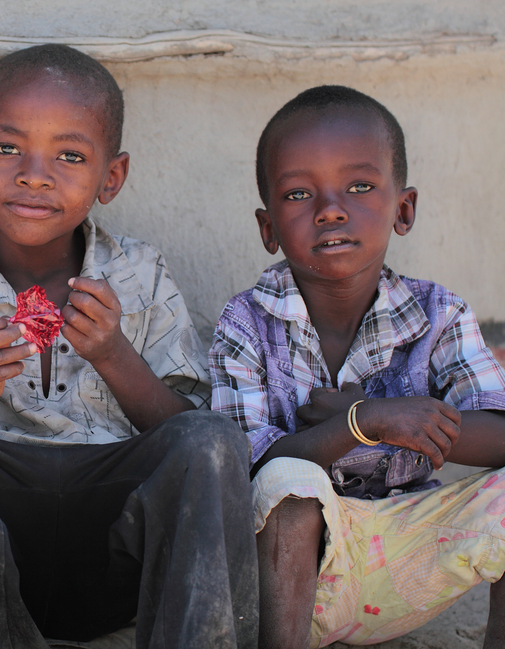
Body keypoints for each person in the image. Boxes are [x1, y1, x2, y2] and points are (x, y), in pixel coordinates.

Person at [0, 44, 257, 649]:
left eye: (70, 155)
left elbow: (190, 442)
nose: (35, 174)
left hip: (117, 544)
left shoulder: (139, 273)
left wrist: (114, 355)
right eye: (7, 148)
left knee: (217, 439)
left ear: (110, 177)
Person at [209, 85, 505, 648]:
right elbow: (243, 465)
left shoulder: (437, 315)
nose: (331, 209)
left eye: (361, 186)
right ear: (268, 226)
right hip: (284, 574)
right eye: (298, 194)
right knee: (287, 483)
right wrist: (363, 423)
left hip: (406, 555)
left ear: (404, 208)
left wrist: (401, 418)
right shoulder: (245, 321)